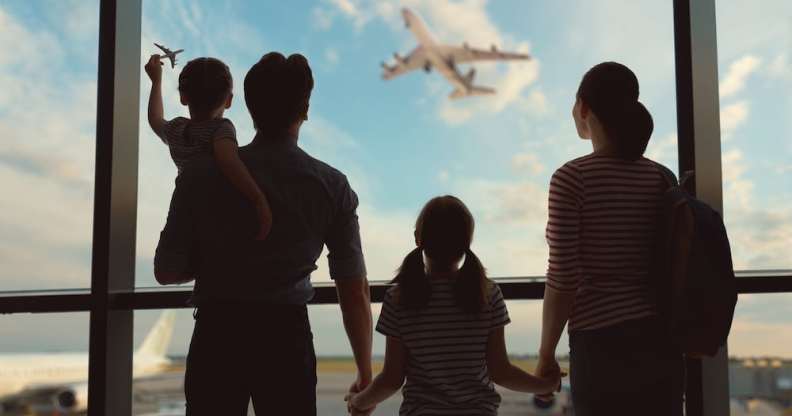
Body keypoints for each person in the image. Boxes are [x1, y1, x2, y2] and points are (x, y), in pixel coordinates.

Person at [153, 52, 372, 416]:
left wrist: (214, 263)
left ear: (249, 107)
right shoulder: (332, 186)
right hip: (286, 339)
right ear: (305, 110)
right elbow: (354, 289)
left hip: (217, 335)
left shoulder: (200, 174)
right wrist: (365, 372)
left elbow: (166, 271)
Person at [535, 62, 684, 415]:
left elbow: (563, 278)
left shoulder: (571, 178)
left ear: (584, 107)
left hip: (601, 346)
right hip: (661, 341)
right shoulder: (662, 177)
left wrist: (545, 354)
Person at [346, 196, 562, 416]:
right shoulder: (488, 294)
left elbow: (391, 379)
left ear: (418, 238)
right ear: (467, 241)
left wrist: (359, 402)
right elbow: (501, 372)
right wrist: (545, 385)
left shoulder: (398, 298)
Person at [144, 54, 272, 240]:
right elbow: (228, 161)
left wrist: (156, 81)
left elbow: (155, 118)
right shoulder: (221, 129)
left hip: (180, 218)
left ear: (183, 97)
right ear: (229, 100)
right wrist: (258, 199)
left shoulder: (177, 129)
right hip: (210, 221)